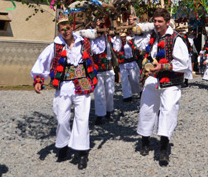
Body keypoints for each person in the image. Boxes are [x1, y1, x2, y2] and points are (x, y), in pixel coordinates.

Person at [31, 17, 99, 170]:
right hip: (64, 86)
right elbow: (42, 62)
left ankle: (82, 152)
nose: (65, 32)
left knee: (82, 118)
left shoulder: (84, 43)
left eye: (67, 28)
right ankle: (63, 145)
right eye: (62, 29)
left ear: (72, 28)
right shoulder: (55, 46)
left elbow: (101, 47)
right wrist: (38, 80)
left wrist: (102, 29)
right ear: (59, 30)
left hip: (82, 83)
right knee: (62, 118)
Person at [136, 8, 190, 166]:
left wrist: (163, 67)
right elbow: (141, 48)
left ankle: (163, 148)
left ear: (167, 22)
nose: (156, 24)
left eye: (160, 21)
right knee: (146, 109)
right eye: (155, 21)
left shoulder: (176, 39)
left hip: (170, 82)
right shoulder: (152, 36)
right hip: (152, 79)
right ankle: (145, 140)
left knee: (168, 111)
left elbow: (183, 63)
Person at [114, 32, 141, 102]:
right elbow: (116, 49)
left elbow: (136, 46)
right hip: (123, 63)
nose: (123, 39)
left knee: (135, 78)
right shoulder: (118, 43)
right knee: (124, 80)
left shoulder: (130, 41)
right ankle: (127, 96)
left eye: (124, 37)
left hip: (132, 62)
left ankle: (140, 91)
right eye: (121, 37)